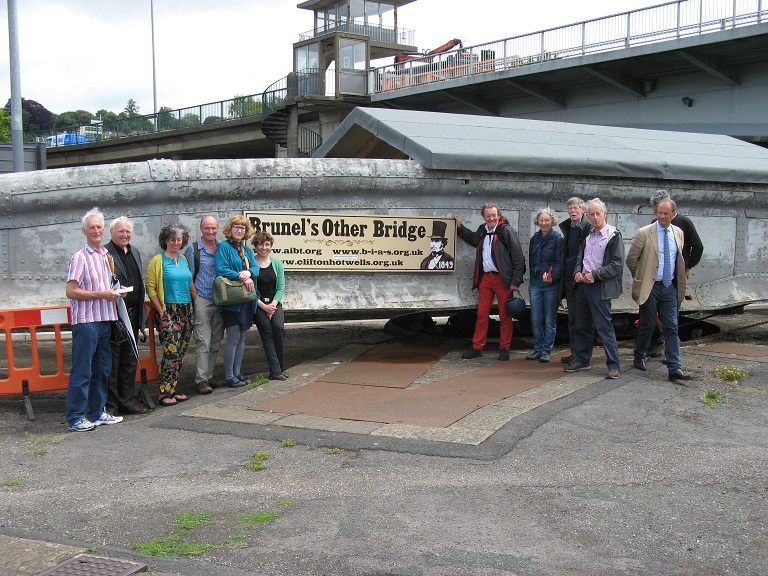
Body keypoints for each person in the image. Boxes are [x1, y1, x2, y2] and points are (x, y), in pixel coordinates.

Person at [64, 207, 124, 431]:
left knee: (102, 371)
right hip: (87, 322)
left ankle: (96, 412)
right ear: (84, 231)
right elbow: (71, 291)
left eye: (99, 227)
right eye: (92, 228)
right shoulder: (79, 258)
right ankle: (75, 417)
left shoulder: (106, 256)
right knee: (82, 371)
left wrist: (117, 292)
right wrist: (102, 294)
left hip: (105, 318)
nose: (96, 231)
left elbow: (107, 285)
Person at [627, 198, 694, 383]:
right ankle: (639, 354)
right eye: (659, 213)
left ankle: (675, 369)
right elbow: (631, 259)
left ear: (674, 214)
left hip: (669, 287)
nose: (662, 216)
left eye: (666, 213)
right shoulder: (644, 233)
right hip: (651, 287)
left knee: (671, 327)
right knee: (648, 324)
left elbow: (678, 259)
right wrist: (642, 277)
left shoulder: (678, 233)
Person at [453, 203, 526, 361]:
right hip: (486, 278)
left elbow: (519, 258)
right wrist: (459, 227)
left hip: (502, 279)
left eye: (494, 215)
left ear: (499, 215)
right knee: (481, 315)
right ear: (484, 217)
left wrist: (515, 282)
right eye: (488, 216)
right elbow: (473, 239)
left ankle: (504, 348)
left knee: (505, 315)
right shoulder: (482, 230)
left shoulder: (506, 231)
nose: (491, 218)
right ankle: (477, 347)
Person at [564, 198, 624, 379]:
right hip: (583, 286)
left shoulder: (613, 235)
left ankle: (614, 365)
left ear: (605, 214)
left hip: (599, 286)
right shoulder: (588, 235)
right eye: (592, 214)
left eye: (599, 213)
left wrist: (595, 275)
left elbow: (617, 265)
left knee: (604, 326)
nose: (595, 217)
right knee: (582, 325)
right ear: (587, 216)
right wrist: (577, 272)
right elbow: (580, 258)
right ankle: (582, 359)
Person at [645, 190, 704, 357]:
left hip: (674, 278)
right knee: (653, 316)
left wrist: (687, 266)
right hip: (657, 278)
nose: (659, 214)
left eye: (660, 210)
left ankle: (670, 352)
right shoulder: (654, 224)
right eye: (657, 211)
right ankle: (656, 343)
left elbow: (697, 246)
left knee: (671, 317)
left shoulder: (683, 222)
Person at [146, 222, 196, 406]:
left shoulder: (183, 260)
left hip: (185, 310)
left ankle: (172, 388)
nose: (175, 242)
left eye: (179, 239)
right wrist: (161, 312)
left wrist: (197, 302)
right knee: (171, 351)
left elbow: (190, 283)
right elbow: (150, 288)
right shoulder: (157, 261)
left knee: (180, 351)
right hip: (168, 310)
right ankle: (163, 391)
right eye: (172, 239)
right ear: (165, 241)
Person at [104, 216, 147, 415]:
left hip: (132, 315)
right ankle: (111, 405)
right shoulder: (105, 253)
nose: (125, 235)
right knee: (113, 363)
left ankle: (127, 400)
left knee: (130, 360)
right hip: (114, 316)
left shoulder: (135, 252)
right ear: (112, 233)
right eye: (121, 231)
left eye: (127, 231)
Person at [216, 215, 258, 387]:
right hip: (232, 300)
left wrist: (250, 273)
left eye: (242, 228)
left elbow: (255, 268)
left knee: (242, 338)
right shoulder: (224, 247)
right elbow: (221, 268)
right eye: (236, 227)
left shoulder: (247, 250)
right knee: (233, 338)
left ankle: (238, 372)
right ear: (230, 229)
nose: (239, 230)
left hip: (246, 300)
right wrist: (241, 275)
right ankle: (229, 375)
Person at [184, 215, 225, 395]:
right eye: (207, 228)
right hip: (203, 299)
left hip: (221, 301)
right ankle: (201, 380)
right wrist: (197, 299)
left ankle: (209, 375)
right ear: (201, 229)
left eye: (213, 228)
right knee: (203, 342)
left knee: (216, 341)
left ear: (218, 229)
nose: (210, 231)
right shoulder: (193, 250)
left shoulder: (223, 248)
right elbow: (189, 277)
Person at [527, 208, 564, 363]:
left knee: (549, 319)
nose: (544, 223)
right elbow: (531, 258)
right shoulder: (534, 239)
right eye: (541, 220)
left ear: (552, 221)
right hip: (535, 283)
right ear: (538, 222)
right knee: (535, 319)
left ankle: (546, 350)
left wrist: (553, 277)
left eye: (547, 220)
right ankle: (538, 348)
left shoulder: (557, 239)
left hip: (550, 285)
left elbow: (559, 262)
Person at [558, 197, 592, 364]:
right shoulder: (569, 228)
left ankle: (582, 356)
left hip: (582, 280)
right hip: (569, 279)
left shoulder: (587, 228)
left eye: (575, 208)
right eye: (570, 208)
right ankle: (575, 352)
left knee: (582, 320)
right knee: (573, 319)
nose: (572, 211)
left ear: (582, 210)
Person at [252, 231, 287, 381]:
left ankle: (279, 368)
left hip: (274, 303)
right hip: (258, 305)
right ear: (255, 246)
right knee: (267, 332)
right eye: (260, 244)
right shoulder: (251, 264)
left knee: (278, 328)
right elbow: (250, 290)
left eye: (267, 244)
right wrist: (264, 307)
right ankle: (275, 371)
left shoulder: (277, 263)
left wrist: (273, 305)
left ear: (271, 246)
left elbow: (281, 287)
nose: (264, 247)